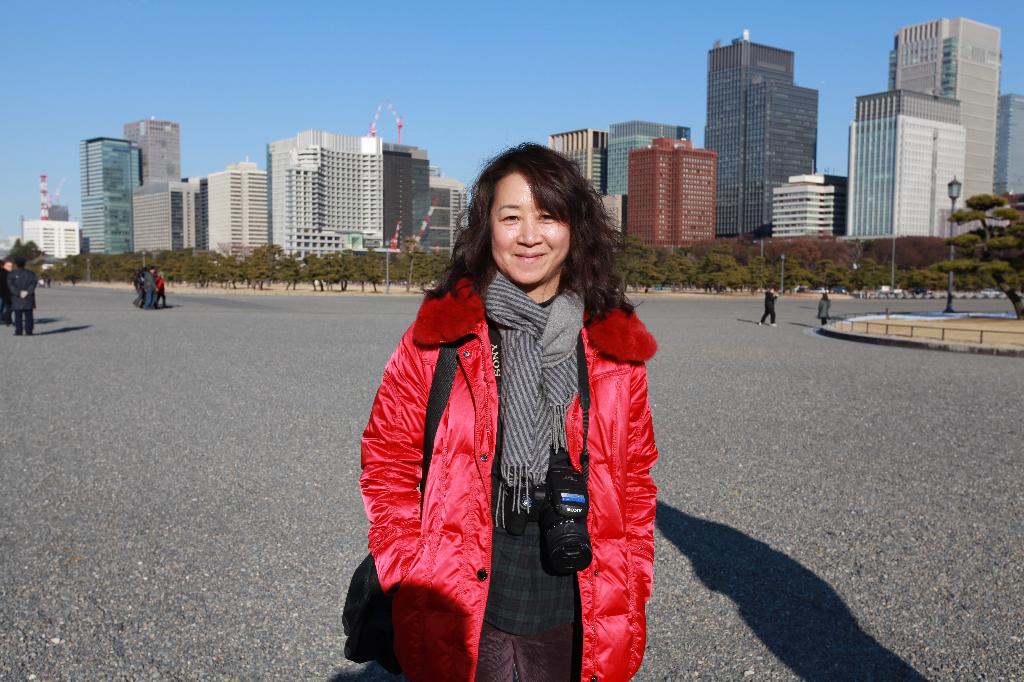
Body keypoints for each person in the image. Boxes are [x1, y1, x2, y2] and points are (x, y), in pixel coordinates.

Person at [360, 143, 659, 682]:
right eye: (512, 217)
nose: (529, 236)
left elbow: (635, 477)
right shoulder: (443, 337)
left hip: (580, 595)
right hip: (461, 591)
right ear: (486, 227)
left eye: (548, 216)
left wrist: (633, 576)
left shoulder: (610, 345)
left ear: (575, 228)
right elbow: (388, 458)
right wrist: (408, 565)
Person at [7, 256, 38, 336]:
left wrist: (18, 293)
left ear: (16, 264)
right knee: (29, 316)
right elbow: (33, 283)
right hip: (28, 297)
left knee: (18, 316)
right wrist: (28, 292)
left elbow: (11, 285)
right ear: (24, 264)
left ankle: (18, 331)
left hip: (17, 298)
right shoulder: (31, 273)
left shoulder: (12, 274)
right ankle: (29, 331)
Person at [0, 258, 12, 325]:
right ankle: (4, 318)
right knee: (4, 306)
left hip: (4, 292)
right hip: (5, 292)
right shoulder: (7, 273)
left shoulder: (6, 272)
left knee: (2, 306)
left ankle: (3, 318)